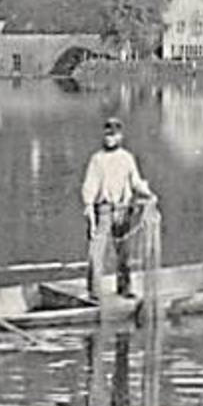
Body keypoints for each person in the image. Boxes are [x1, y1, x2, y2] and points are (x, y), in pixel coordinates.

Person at [80, 117, 155, 296]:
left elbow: (136, 182)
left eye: (113, 135)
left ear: (120, 137)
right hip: (103, 211)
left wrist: (149, 195)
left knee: (124, 253)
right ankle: (94, 292)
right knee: (95, 254)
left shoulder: (127, 158)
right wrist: (89, 208)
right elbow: (89, 186)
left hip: (123, 210)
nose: (109, 139)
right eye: (107, 135)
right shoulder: (97, 159)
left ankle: (125, 288)